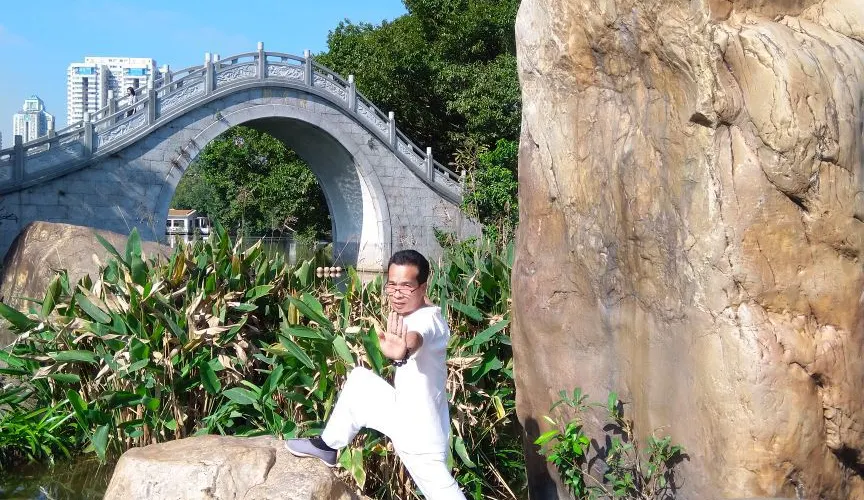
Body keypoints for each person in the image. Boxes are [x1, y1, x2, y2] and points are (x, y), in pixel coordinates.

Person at [285, 250, 466, 499]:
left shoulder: (426, 321)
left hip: (420, 435)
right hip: (406, 415)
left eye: (406, 286)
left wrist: (402, 351)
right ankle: (328, 446)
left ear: (423, 287)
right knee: (360, 380)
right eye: (392, 285)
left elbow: (415, 338)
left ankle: (328, 446)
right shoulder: (426, 311)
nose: (397, 294)